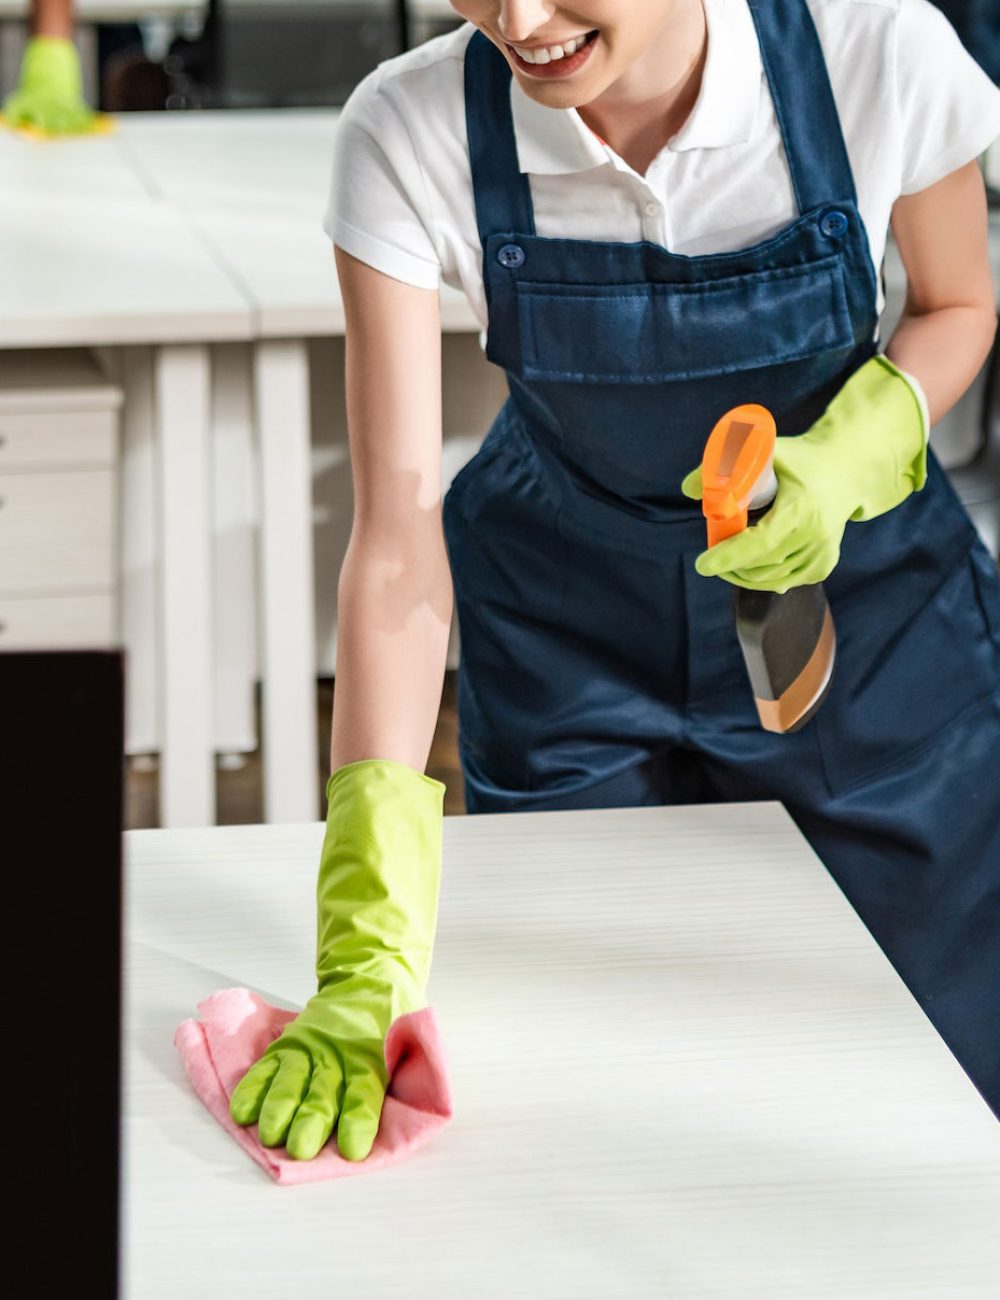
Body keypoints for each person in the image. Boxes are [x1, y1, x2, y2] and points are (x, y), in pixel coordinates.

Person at [228, 0, 1000, 1162]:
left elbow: (958, 304)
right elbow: (394, 543)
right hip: (565, 641)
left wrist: (854, 446)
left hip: (868, 630)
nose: (519, 20)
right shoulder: (411, 127)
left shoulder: (871, 52)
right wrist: (362, 949)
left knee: (936, 1084)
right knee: (578, 1088)